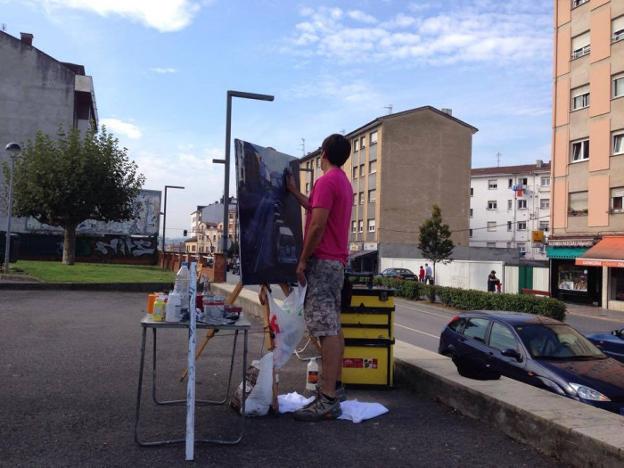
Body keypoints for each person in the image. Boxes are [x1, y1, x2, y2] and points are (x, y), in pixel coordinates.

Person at [286, 133, 352, 422]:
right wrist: (293, 191)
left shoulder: (326, 182)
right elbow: (316, 208)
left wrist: (302, 261)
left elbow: (316, 225)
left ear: (323, 152)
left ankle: (326, 399)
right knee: (333, 325)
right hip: (336, 262)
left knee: (324, 328)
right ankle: (335, 388)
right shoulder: (342, 182)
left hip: (323, 261)